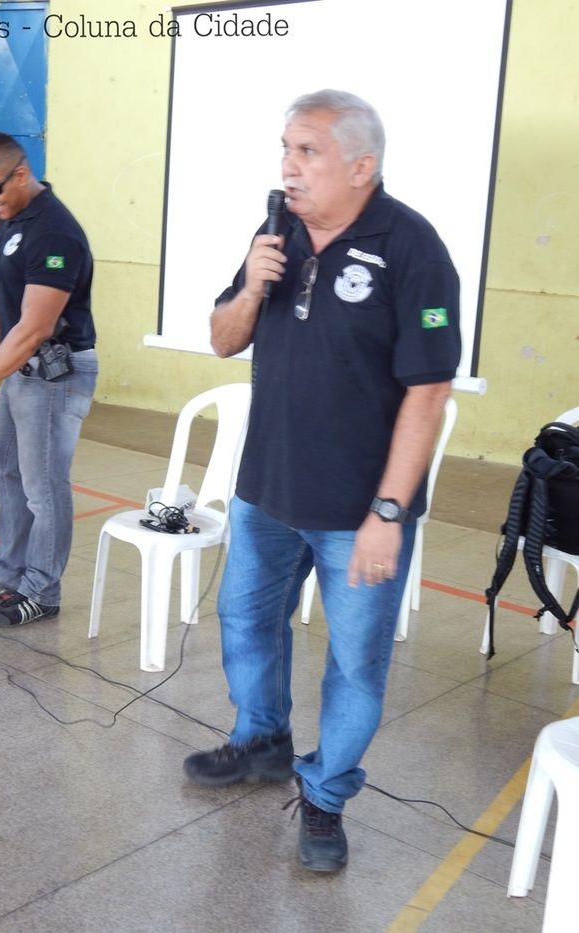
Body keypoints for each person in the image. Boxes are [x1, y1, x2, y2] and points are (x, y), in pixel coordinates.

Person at [183, 90, 461, 873]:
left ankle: (325, 795)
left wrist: (388, 511)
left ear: (361, 166)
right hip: (266, 488)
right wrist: (251, 286)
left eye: (307, 151)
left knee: (354, 663)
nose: (288, 166)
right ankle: (262, 737)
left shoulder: (412, 249)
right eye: (285, 149)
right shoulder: (273, 234)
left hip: (357, 511)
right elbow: (222, 339)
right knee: (243, 621)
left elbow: (428, 393)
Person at [0, 131, 98, 627]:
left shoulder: (53, 231)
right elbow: (8, 311)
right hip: (20, 369)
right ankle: (9, 571)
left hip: (55, 373)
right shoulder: (10, 224)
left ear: (21, 172)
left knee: (43, 485)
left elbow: (34, 327)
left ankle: (42, 589)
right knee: (6, 467)